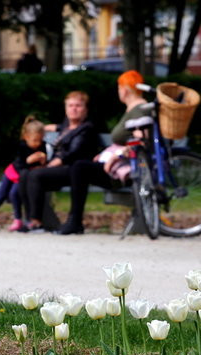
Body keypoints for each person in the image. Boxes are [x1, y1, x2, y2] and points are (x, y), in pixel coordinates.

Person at [59, 70, 153, 235]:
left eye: (119, 88)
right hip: (123, 166)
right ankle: (74, 220)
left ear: (124, 89)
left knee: (79, 168)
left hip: (128, 170)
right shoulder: (135, 109)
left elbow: (141, 141)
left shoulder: (139, 109)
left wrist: (117, 156)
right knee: (80, 167)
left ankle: (75, 221)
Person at [22, 90, 101, 232]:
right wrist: (44, 128)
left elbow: (73, 153)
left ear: (85, 109)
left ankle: (36, 221)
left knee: (35, 175)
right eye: (70, 105)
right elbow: (59, 128)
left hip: (75, 171)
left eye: (78, 106)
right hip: (60, 169)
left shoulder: (87, 128)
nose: (74, 109)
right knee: (24, 174)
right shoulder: (66, 126)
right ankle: (29, 219)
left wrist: (51, 164)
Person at [0, 117, 47, 232]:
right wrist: (30, 160)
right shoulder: (22, 146)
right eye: (35, 140)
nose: (38, 144)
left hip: (24, 177)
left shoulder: (42, 145)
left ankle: (18, 220)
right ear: (26, 137)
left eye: (40, 140)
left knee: (14, 194)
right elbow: (22, 163)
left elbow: (43, 164)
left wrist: (43, 161)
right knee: (1, 194)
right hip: (13, 172)